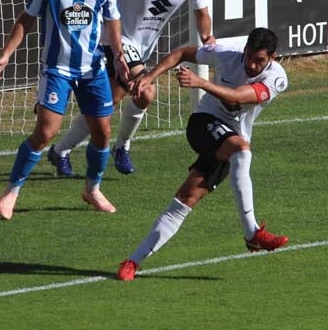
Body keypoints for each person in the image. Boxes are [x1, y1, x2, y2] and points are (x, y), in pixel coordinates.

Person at [117, 27, 289, 282]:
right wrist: (150, 77)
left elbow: (240, 96)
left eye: (259, 60)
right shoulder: (226, 54)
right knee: (242, 151)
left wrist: (201, 83)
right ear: (245, 50)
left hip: (229, 138)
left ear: (272, 58)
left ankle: (132, 262)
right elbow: (181, 53)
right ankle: (252, 232)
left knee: (185, 199)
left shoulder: (277, 78)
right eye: (249, 56)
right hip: (202, 124)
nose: (252, 64)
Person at [0, 0, 130, 218]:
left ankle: (92, 188)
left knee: (102, 132)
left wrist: (118, 54)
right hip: (57, 70)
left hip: (93, 69)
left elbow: (113, 19)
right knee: (46, 132)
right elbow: (27, 18)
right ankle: (11, 190)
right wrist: (5, 55)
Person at [50, 0, 215, 177]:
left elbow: (202, 12)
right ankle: (122, 147)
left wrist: (208, 37)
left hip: (142, 46)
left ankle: (60, 151)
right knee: (145, 93)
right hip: (114, 39)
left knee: (108, 103)